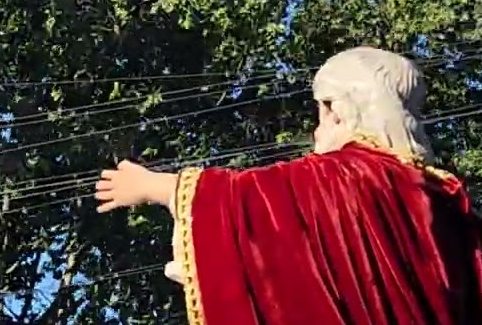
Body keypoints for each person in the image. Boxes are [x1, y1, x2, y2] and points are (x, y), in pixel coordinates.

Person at [94, 46, 482, 325]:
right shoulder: (446, 199)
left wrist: (152, 186)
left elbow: (247, 202)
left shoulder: (341, 177)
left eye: (319, 108)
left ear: (335, 108)